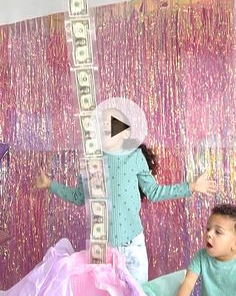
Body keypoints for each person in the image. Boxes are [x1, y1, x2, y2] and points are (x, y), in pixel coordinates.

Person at [36, 108, 216, 284]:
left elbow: (153, 192)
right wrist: (50, 185)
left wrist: (191, 186)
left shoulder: (135, 156)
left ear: (125, 132)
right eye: (102, 122)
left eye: (112, 121)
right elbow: (78, 197)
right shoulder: (91, 161)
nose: (106, 124)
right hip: (103, 249)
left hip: (133, 245)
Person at [173, 203, 236, 296]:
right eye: (208, 228)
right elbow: (188, 283)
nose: (209, 234)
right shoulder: (202, 256)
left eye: (218, 232)